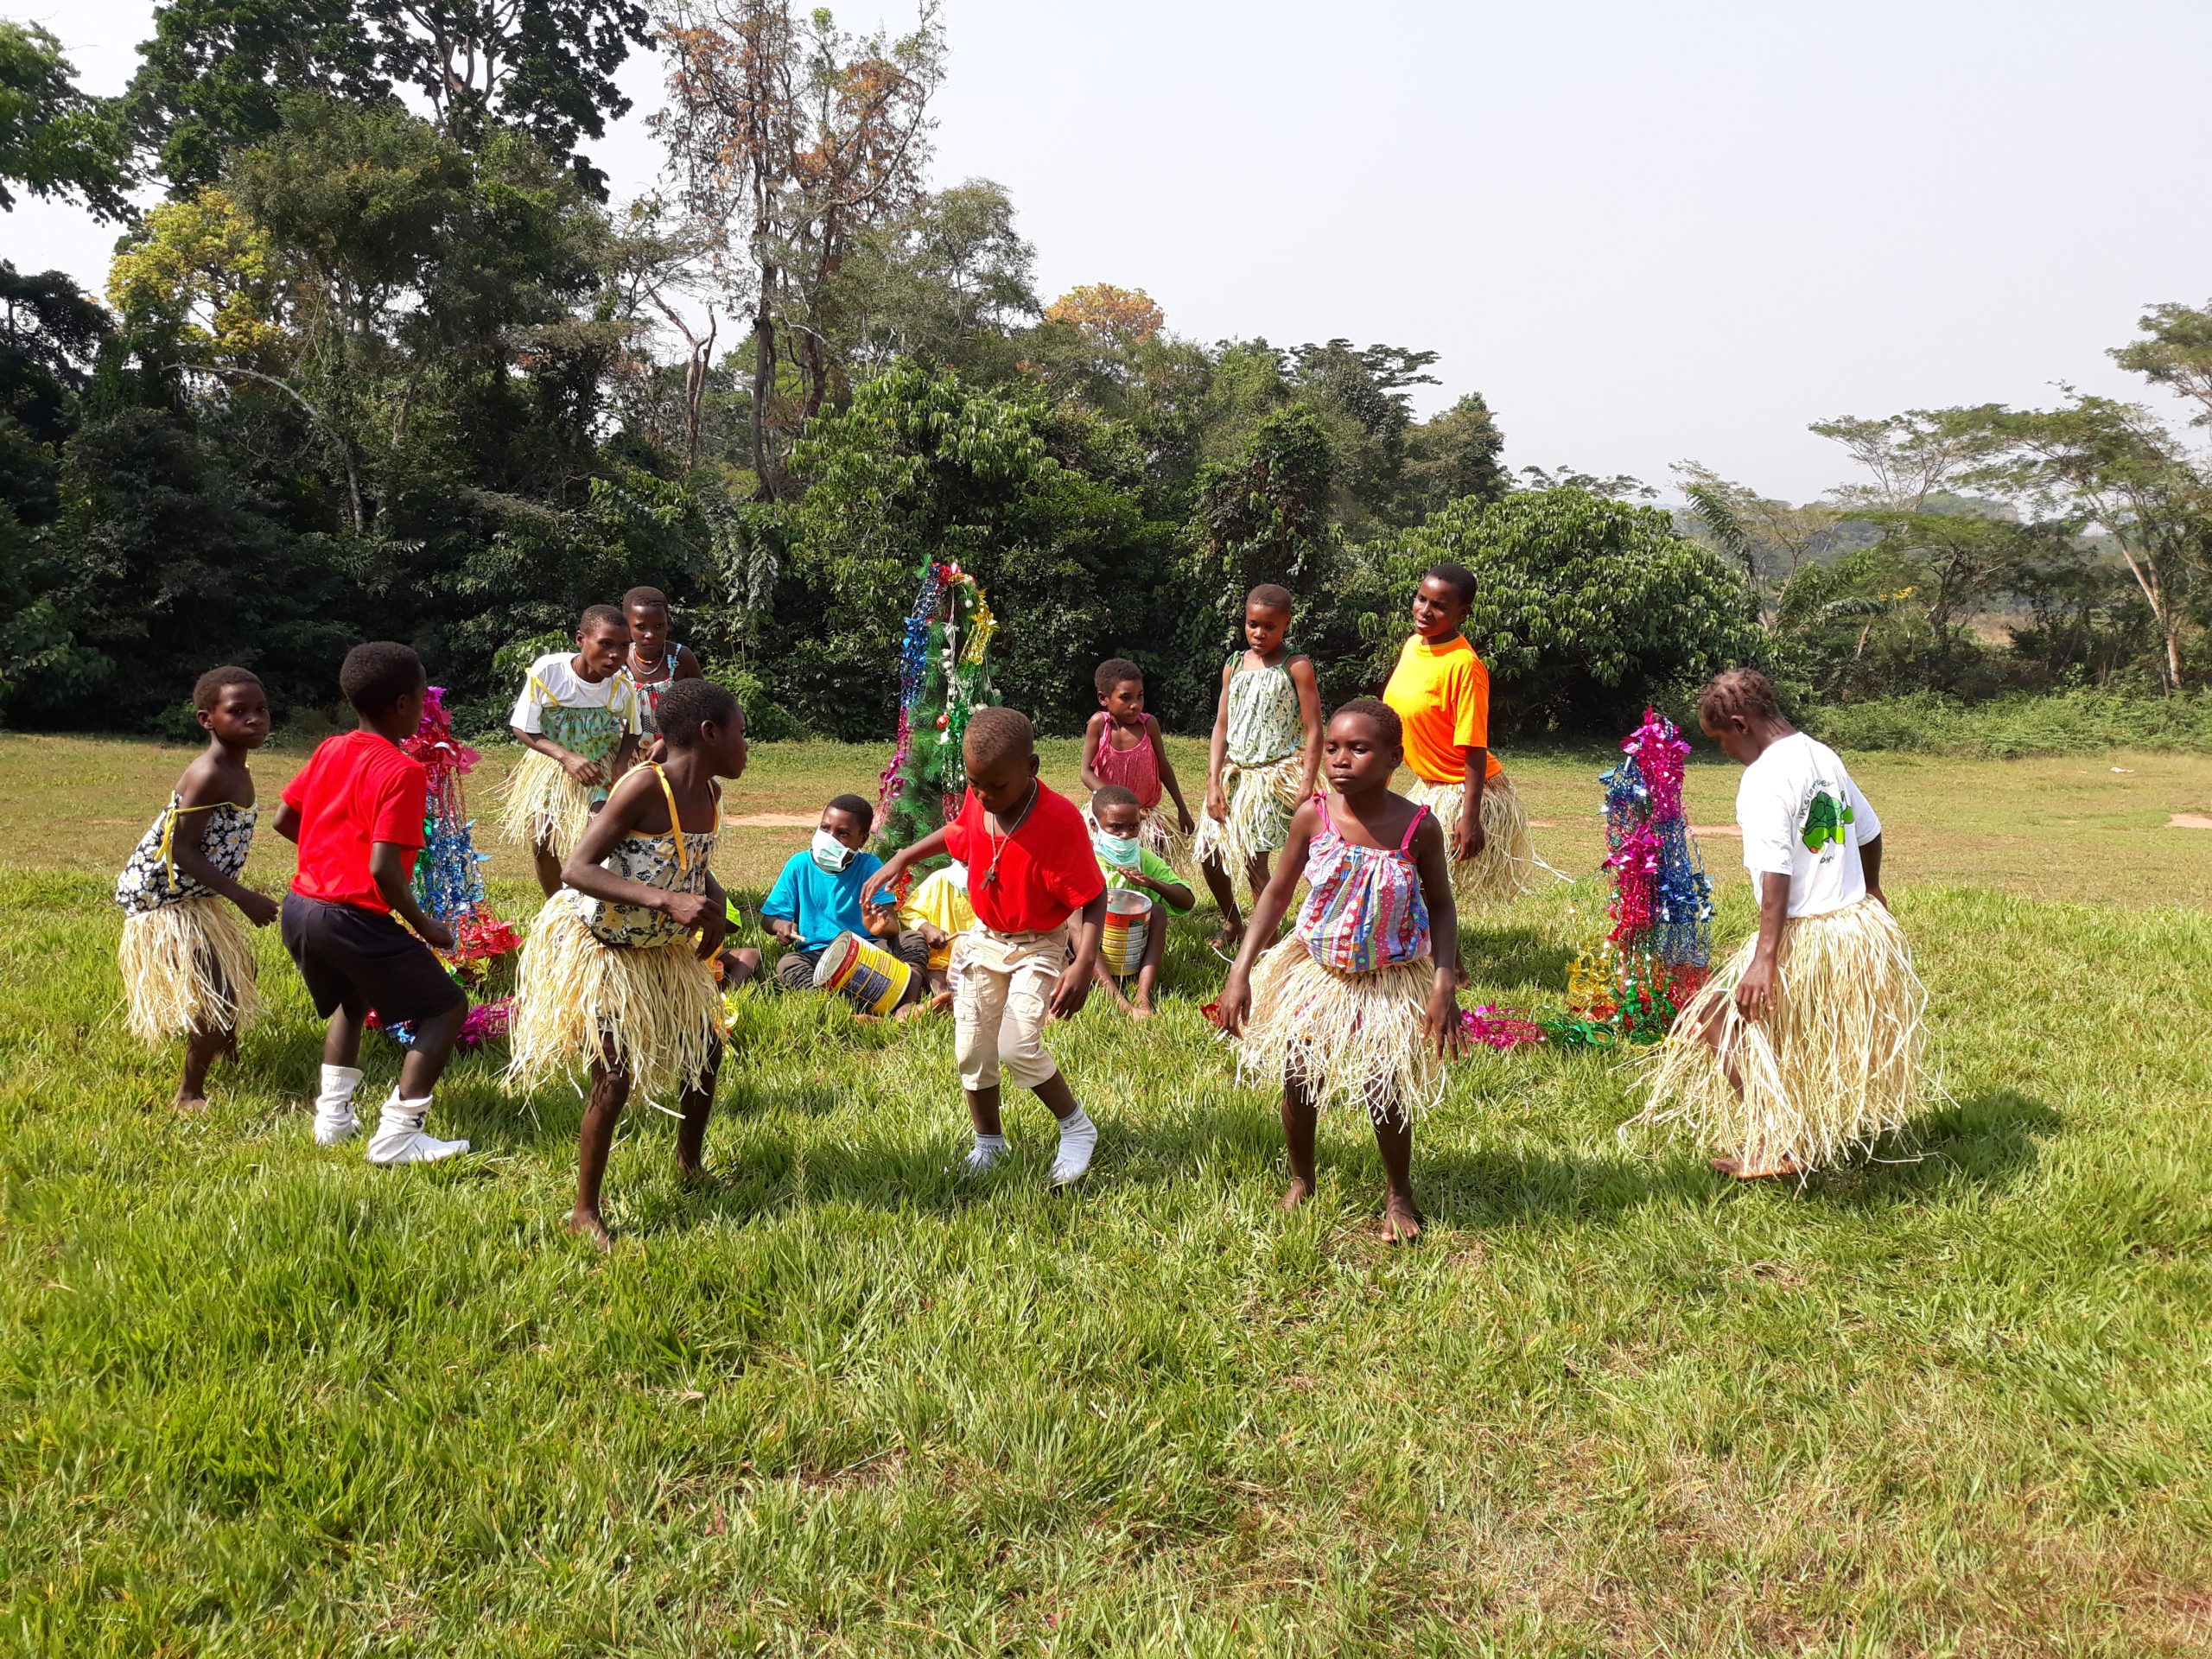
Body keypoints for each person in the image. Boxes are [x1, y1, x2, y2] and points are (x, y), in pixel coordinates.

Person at [1630, 668, 1930, 1180]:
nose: (1724, 753)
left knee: (1711, 1016)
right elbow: (1869, 828)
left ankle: (1780, 1142)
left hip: (1805, 933)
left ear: (1740, 724)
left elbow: (1776, 872)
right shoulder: (1820, 753)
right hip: (1853, 927)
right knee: (1774, 1032)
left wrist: (1765, 958)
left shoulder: (1764, 777)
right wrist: (1873, 887)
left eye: (1720, 740)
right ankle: (1796, 1133)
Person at [1213, 701, 1465, 1243]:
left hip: (1389, 979)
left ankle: (1399, 1194)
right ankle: (1302, 1177)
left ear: (1394, 757)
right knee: (1300, 1075)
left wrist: (1444, 978)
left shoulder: (1419, 827)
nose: (1340, 759)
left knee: (1385, 1084)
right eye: (1332, 747)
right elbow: (1277, 895)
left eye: (1358, 748)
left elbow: (1441, 905)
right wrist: (1242, 969)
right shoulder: (1313, 815)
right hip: (1318, 970)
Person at [505, 679, 745, 1248]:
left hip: (659, 950)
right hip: (604, 948)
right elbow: (578, 869)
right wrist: (668, 901)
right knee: (613, 1079)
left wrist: (713, 905)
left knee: (705, 1053)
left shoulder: (708, 793)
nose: (746, 745)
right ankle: (584, 1211)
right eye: (741, 733)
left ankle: (690, 1166)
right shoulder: (642, 787)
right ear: (710, 734)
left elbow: (690, 860)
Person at [862, 707, 1108, 1186]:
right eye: (975, 785)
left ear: (1032, 768)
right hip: (984, 937)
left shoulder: (1059, 821)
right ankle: (989, 1143)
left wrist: (1082, 966)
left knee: (1017, 1046)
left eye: (995, 786)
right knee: (972, 1046)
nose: (983, 796)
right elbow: (957, 834)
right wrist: (904, 854)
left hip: (1037, 943)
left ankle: (1076, 1127)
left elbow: (1093, 894)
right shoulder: (984, 798)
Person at [276, 642, 469, 1166]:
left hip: (300, 908)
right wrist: (426, 925)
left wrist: (330, 858)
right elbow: (385, 869)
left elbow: (285, 819)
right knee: (447, 1007)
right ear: (406, 703)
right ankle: (400, 1135)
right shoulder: (402, 771)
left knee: (351, 999)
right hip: (348, 916)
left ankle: (333, 1119)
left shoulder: (331, 749)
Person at [113, 666, 280, 1110]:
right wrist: (243, 897)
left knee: (240, 967)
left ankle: (225, 1047)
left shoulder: (234, 767)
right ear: (208, 719)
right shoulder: (210, 773)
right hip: (164, 901)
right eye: (238, 711)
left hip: (193, 895)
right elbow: (181, 851)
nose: (255, 719)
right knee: (216, 991)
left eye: (261, 709)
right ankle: (190, 1092)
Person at [1382, 563, 1548, 926]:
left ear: (1463, 613)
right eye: (1421, 599)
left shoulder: (1465, 666)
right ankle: (1431, 957)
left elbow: (1473, 745)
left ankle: (1449, 966)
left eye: (1439, 606)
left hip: (1462, 788)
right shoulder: (1413, 646)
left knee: (1427, 882)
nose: (1425, 611)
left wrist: (1469, 817)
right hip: (1427, 784)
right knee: (1407, 877)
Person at [1192, 585, 1323, 951]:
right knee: (1209, 852)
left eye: (1269, 626)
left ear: (1286, 624)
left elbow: (1315, 729)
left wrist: (1306, 785)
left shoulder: (1296, 666)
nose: (1259, 634)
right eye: (1252, 625)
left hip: (1272, 776)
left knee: (1255, 862)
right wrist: (1214, 782)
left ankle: (1268, 942)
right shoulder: (1233, 664)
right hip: (1235, 775)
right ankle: (1233, 921)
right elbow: (1221, 725)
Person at [498, 604, 642, 897]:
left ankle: (592, 903)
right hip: (552, 761)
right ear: (581, 639)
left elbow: (633, 728)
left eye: (624, 646)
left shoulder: (622, 683)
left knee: (601, 834)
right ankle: (556, 905)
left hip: (601, 763)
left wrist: (620, 764)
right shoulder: (550, 671)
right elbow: (523, 726)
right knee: (542, 840)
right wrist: (566, 757)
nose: (615, 654)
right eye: (606, 644)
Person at [760, 793, 925, 1004]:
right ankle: (832, 1006)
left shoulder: (870, 866)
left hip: (869, 952)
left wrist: (879, 928)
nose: (830, 838)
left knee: (911, 939)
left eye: (843, 834)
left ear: (862, 839)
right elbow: (768, 919)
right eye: (825, 828)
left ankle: (907, 1003)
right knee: (788, 963)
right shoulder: (799, 865)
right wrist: (780, 925)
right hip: (819, 955)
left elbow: (893, 928)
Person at [1087, 784, 1195, 1020]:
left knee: (1157, 911)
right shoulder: (1085, 858)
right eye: (1116, 828)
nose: (1125, 835)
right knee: (1079, 915)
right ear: (1095, 826)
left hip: (1131, 951)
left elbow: (1187, 900)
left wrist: (1153, 884)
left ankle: (1142, 995)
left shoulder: (1143, 860)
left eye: (1133, 827)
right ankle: (1117, 999)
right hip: (1091, 952)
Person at [1079, 658, 1194, 866]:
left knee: (1151, 869)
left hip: (1146, 817)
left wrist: (1182, 808)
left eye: (1140, 696)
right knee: (1107, 870)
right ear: (1103, 698)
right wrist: (1113, 804)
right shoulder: (1099, 725)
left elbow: (1163, 766)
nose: (1135, 705)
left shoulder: (1149, 725)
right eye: (1125, 698)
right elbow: (1086, 772)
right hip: (1109, 817)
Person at [620, 585, 703, 740]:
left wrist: (668, 741)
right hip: (627, 754)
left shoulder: (681, 658)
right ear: (626, 626)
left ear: (668, 623)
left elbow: (702, 705)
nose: (650, 634)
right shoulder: (620, 660)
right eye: (640, 627)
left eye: (659, 626)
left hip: (675, 750)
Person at [893, 859, 976, 1011]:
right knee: (938, 981)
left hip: (981, 963)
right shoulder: (941, 879)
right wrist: (928, 929)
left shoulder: (997, 884)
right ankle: (942, 1001)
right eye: (965, 863)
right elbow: (909, 911)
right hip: (941, 963)